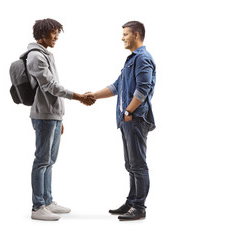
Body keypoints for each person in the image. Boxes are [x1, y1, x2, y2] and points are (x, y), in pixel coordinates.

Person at [26, 18, 95, 221]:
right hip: (44, 115)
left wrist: (59, 117)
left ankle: (47, 200)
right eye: (53, 33)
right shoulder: (36, 56)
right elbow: (51, 87)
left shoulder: (46, 54)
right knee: (41, 161)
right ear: (42, 33)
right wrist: (79, 96)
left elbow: (51, 89)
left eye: (57, 32)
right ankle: (38, 206)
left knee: (50, 160)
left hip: (52, 115)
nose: (56, 36)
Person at [89, 21, 156, 221]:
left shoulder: (143, 59)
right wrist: (92, 95)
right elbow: (116, 86)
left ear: (136, 35)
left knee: (138, 164)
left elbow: (142, 90)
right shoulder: (131, 60)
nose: (122, 37)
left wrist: (128, 110)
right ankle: (131, 201)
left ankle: (139, 207)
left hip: (135, 118)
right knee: (130, 164)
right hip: (127, 119)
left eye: (125, 34)